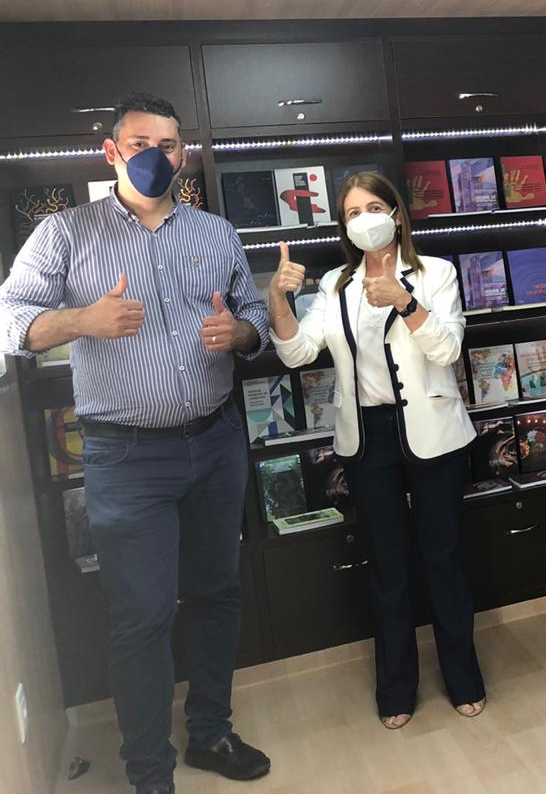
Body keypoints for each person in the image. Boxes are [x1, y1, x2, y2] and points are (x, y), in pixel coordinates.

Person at [0, 93, 271, 794]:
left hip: (215, 440)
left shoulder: (215, 232)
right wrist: (80, 321)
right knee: (142, 616)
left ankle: (210, 732)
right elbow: (9, 320)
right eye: (140, 143)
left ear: (185, 154)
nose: (156, 155)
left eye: (169, 144)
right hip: (126, 458)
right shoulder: (65, 233)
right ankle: (150, 773)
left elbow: (253, 313)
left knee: (216, 594)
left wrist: (241, 333)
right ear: (112, 151)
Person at [265, 171, 485, 729]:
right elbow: (297, 353)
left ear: (395, 214)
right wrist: (279, 302)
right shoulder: (335, 284)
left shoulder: (435, 273)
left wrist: (406, 303)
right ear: (344, 227)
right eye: (351, 213)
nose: (362, 220)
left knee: (444, 558)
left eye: (371, 208)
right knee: (387, 566)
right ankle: (396, 689)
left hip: (434, 434)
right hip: (367, 438)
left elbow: (448, 349)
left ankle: (463, 678)